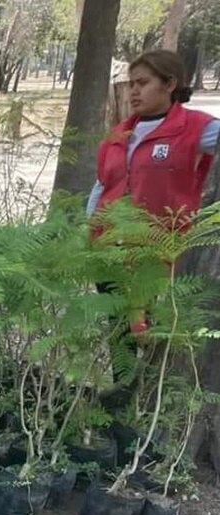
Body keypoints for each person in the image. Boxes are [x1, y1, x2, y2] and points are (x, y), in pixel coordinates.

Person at [86, 49, 218, 336]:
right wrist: (91, 233)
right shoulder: (117, 135)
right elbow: (102, 185)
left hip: (163, 252)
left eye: (143, 83)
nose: (134, 91)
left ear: (169, 84)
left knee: (157, 334)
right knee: (120, 336)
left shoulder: (198, 128)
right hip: (112, 251)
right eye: (132, 84)